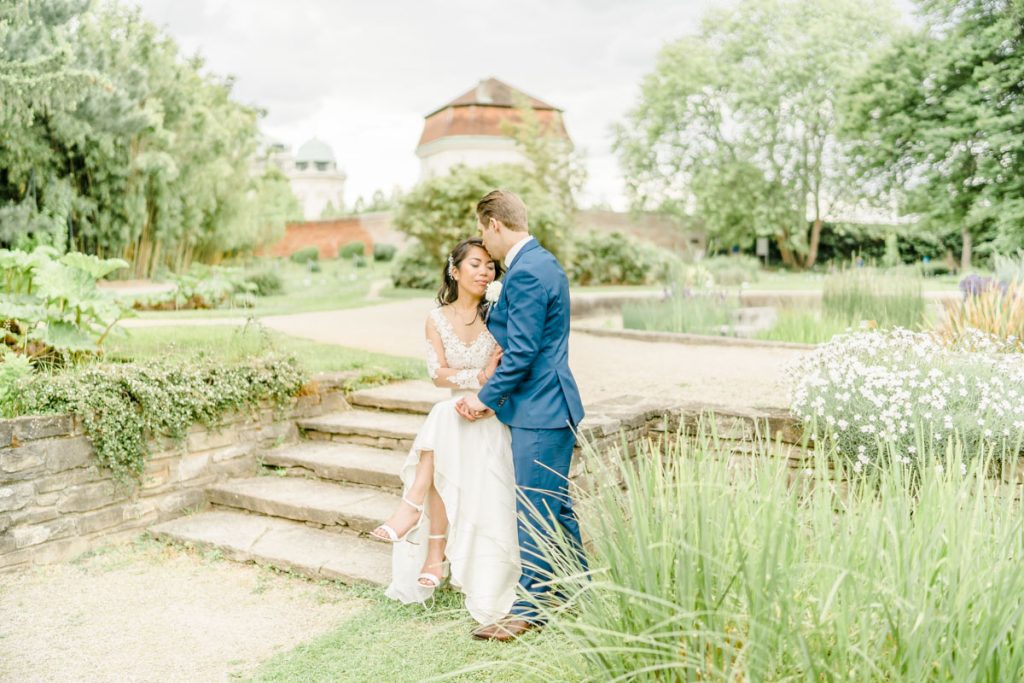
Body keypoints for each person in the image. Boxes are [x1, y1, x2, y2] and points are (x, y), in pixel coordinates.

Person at [456, 189, 587, 642]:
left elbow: (525, 352)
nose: (482, 241)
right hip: (548, 407)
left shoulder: (528, 271)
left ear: (494, 224)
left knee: (534, 510)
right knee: (556, 508)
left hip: (540, 409)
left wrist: (484, 398)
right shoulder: (540, 263)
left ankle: (527, 611)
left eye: (481, 230)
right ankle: (581, 592)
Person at [370, 237, 521, 626]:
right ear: (455, 271)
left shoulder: (499, 315)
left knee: (440, 420)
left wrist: (485, 387)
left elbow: (507, 369)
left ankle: (414, 510)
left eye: (490, 265)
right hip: (454, 411)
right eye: (475, 264)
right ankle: (434, 553)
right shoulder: (435, 318)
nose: (485, 271)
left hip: (491, 412)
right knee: (444, 413)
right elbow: (437, 375)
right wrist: (478, 374)